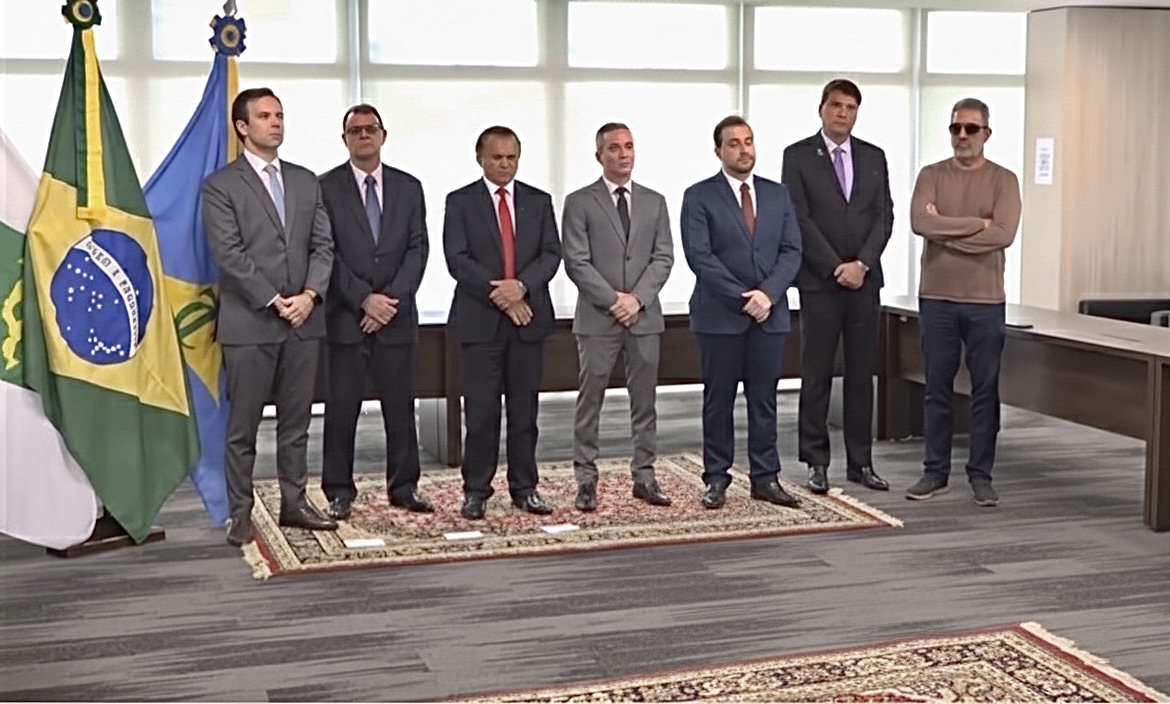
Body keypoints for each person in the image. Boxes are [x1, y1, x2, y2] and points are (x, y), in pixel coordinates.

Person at [202, 87, 337, 546]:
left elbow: (323, 246)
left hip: (304, 321)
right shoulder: (221, 185)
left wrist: (311, 296)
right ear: (242, 127)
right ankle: (240, 513)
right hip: (251, 323)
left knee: (296, 424)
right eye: (264, 116)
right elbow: (229, 254)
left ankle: (294, 503)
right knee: (243, 427)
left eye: (279, 114)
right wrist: (276, 300)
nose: (275, 122)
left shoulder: (305, 181)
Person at [680, 116, 803, 510]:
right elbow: (700, 257)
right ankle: (716, 478)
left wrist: (768, 294)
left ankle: (765, 477)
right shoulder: (699, 196)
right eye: (733, 143)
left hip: (770, 315)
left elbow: (792, 251)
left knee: (764, 400)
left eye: (748, 141)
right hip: (720, 317)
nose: (743, 149)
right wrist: (743, 297)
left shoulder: (777, 194)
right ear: (718, 151)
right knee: (719, 400)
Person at [905, 97, 1021, 507]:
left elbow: (1003, 235)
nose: (963, 136)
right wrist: (977, 225)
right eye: (956, 128)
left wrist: (945, 233)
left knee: (984, 391)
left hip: (985, 302)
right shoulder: (931, 175)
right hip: (937, 298)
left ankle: (981, 475)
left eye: (971, 128)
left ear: (987, 133)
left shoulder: (1004, 180)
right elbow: (920, 222)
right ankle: (934, 472)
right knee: (937, 389)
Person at [317, 104, 432, 520]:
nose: (364, 135)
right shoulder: (324, 188)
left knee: (400, 408)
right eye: (355, 130)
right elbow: (325, 252)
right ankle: (338, 491)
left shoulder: (409, 187)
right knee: (341, 409)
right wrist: (364, 299)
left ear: (384, 135)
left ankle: (404, 486)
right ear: (344, 139)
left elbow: (418, 248)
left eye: (371, 129)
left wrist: (389, 302)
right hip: (347, 319)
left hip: (396, 319)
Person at [442, 126, 562, 520]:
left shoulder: (538, 201)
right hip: (480, 323)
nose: (505, 165)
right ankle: (476, 490)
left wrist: (521, 287)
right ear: (480, 158)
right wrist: (504, 296)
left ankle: (525, 488)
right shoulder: (460, 202)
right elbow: (457, 259)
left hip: (528, 321)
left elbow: (551, 254)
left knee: (524, 413)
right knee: (481, 414)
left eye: (511, 157)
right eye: (497, 158)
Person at [781, 79, 894, 496]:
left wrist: (862, 264)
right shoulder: (798, 156)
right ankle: (816, 462)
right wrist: (835, 267)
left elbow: (884, 215)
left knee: (862, 375)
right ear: (822, 109)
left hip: (864, 282)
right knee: (817, 374)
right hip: (820, 282)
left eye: (850, 107)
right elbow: (799, 218)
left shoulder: (873, 156)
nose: (843, 113)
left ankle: (861, 462)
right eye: (836, 106)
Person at [561, 123, 675, 511]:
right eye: (614, 148)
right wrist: (614, 301)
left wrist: (638, 300)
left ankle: (645, 476)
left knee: (644, 401)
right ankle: (585, 479)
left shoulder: (655, 202)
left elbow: (664, 257)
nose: (624, 154)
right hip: (598, 318)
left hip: (644, 318)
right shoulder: (579, 202)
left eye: (629, 146)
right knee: (589, 399)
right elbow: (576, 261)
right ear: (599, 156)